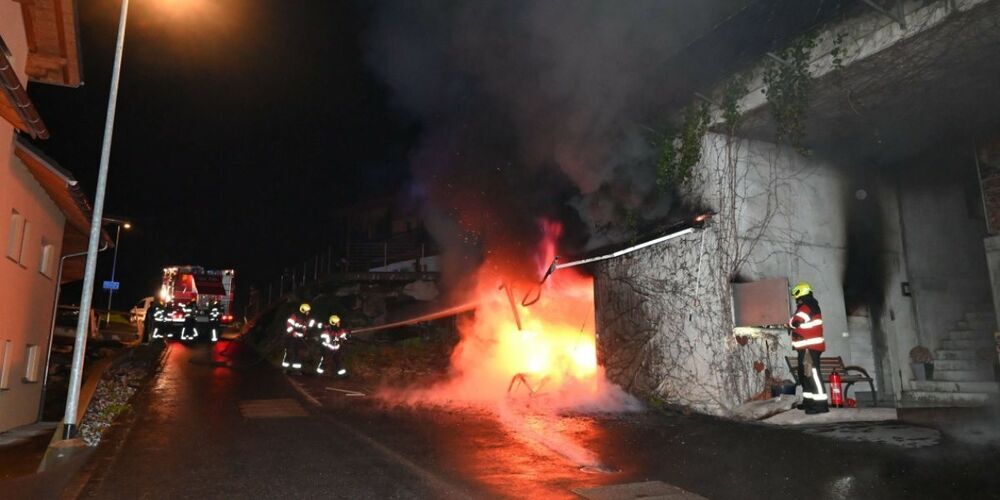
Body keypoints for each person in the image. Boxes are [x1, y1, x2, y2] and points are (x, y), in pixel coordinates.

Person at [789, 281, 829, 414]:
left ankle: (821, 405)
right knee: (805, 375)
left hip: (810, 348)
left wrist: (791, 323)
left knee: (812, 376)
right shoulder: (808, 305)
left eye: (796, 294)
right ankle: (809, 402)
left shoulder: (808, 304)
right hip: (805, 348)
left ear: (801, 292)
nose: (795, 298)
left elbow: (797, 320)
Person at [283, 303, 311, 373]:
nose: (308, 312)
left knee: (298, 353)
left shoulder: (306, 319)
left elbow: (305, 329)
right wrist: (293, 333)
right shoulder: (294, 316)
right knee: (290, 352)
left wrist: (304, 335)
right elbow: (289, 326)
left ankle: (296, 370)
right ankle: (286, 369)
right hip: (291, 338)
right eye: (307, 311)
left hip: (299, 339)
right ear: (303, 310)